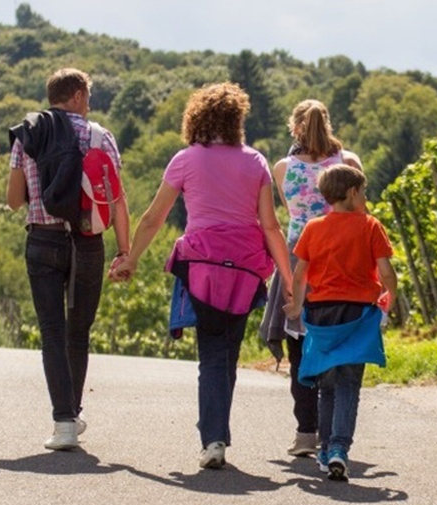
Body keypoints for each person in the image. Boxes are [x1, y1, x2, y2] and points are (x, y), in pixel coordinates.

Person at [109, 82, 293, 469]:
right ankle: (216, 432)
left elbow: (154, 217)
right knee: (227, 352)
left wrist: (131, 257)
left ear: (196, 118)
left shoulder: (186, 159)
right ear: (237, 120)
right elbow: (271, 227)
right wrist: (289, 281)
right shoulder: (255, 162)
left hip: (202, 266)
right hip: (245, 267)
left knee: (211, 353)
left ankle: (213, 438)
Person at [6, 68, 130, 451]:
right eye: (88, 96)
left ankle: (64, 423)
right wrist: (125, 252)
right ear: (76, 95)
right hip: (87, 243)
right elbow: (117, 200)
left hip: (42, 241)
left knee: (52, 331)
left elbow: (13, 200)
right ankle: (72, 415)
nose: (89, 104)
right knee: (78, 331)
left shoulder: (28, 133)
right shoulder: (100, 136)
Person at [259, 99, 363, 457]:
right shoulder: (348, 163)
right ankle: (334, 432)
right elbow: (360, 213)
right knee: (336, 343)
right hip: (342, 259)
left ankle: (305, 432)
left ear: (295, 128)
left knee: (299, 346)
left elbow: (292, 213)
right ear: (328, 123)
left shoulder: (283, 167)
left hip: (298, 256)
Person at [283, 164, 397, 482]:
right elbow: (385, 271)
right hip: (358, 314)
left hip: (321, 314)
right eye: (363, 191)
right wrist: (392, 297)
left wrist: (295, 304)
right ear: (352, 193)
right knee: (349, 383)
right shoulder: (371, 226)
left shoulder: (314, 228)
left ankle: (325, 449)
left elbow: (301, 272)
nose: (365, 197)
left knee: (327, 385)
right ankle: (338, 449)